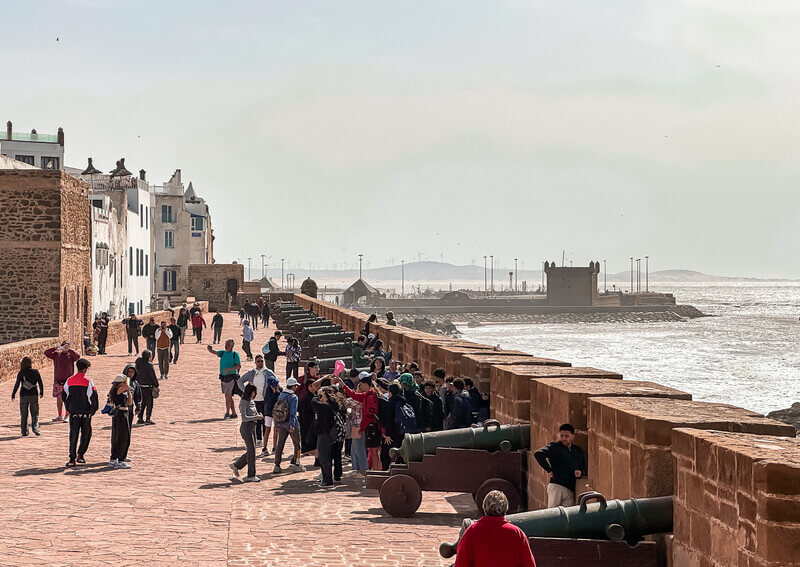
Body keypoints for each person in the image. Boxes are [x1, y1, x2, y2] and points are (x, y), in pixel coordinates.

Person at [454, 490, 536, 567]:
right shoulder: (517, 533)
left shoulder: (472, 531)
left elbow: (461, 563)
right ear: (505, 509)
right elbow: (529, 564)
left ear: (484, 507)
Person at [533, 423, 587, 508]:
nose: (564, 438)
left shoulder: (577, 451)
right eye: (562, 436)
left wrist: (580, 472)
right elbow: (538, 454)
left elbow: (582, 467)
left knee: (567, 517)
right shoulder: (555, 447)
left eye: (567, 436)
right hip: (556, 486)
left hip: (570, 489)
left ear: (572, 436)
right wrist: (549, 470)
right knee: (552, 515)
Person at [337, 373, 381, 472]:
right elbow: (353, 394)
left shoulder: (370, 396)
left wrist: (362, 427)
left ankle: (369, 471)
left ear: (366, 384)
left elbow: (370, 414)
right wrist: (342, 383)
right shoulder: (367, 395)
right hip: (367, 426)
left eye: (362, 384)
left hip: (370, 426)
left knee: (372, 451)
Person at [63, 358, 99, 467]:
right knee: (86, 434)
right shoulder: (88, 381)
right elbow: (93, 396)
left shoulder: (69, 380)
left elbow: (64, 396)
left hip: (73, 413)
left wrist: (69, 408)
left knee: (73, 435)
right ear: (84, 369)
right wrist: (92, 411)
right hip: (85, 413)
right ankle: (81, 454)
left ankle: (72, 458)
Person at [237, 355, 273, 450]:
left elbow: (275, 382)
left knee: (265, 420)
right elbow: (240, 381)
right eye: (258, 361)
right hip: (254, 401)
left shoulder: (268, 372)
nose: (260, 363)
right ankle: (258, 439)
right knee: (256, 420)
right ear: (255, 362)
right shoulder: (251, 373)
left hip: (265, 400)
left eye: (261, 361)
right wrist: (246, 391)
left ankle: (265, 440)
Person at [229, 384, 263, 483]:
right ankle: (251, 475)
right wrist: (257, 417)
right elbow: (244, 418)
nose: (255, 394)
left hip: (253, 428)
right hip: (246, 428)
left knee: (251, 451)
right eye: (254, 392)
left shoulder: (252, 401)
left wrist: (257, 415)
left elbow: (253, 413)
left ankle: (237, 465)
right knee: (251, 451)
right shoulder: (244, 402)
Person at [272, 377, 305, 474]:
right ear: (293, 386)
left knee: (280, 444)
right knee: (297, 444)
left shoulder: (281, 395)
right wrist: (292, 424)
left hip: (281, 423)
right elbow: (293, 413)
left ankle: (277, 465)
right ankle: (297, 463)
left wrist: (277, 424)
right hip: (291, 424)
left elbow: (277, 410)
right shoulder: (293, 397)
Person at [312, 386, 341, 488]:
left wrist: (317, 395)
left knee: (324, 457)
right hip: (330, 434)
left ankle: (327, 481)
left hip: (325, 434)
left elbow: (314, 402)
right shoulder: (333, 405)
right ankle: (326, 479)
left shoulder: (325, 406)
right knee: (326, 457)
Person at [44, 341, 80, 422]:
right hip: (58, 380)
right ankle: (59, 415)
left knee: (67, 399)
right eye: (63, 346)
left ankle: (67, 415)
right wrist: (55, 348)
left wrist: (69, 350)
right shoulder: (57, 354)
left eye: (66, 346)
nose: (64, 348)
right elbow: (46, 353)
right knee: (59, 398)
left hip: (68, 381)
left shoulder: (71, 355)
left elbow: (78, 356)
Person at [208, 339, 241, 419]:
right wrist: (209, 349)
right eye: (226, 344)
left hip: (231, 377)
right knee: (229, 396)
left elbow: (238, 366)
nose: (226, 346)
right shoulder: (223, 353)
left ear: (232, 346)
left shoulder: (235, 354)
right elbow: (215, 352)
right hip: (223, 378)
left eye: (228, 345)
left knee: (228, 395)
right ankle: (233, 413)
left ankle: (227, 412)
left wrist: (229, 369)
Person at [12, 357, 44, 436]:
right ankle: (35, 428)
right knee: (34, 413)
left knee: (24, 414)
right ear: (30, 364)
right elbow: (40, 382)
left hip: (23, 395)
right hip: (33, 394)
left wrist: (13, 393)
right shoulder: (35, 372)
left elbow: (17, 384)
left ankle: (24, 431)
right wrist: (41, 391)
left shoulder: (21, 372)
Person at [108, 373, 133, 469]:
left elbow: (130, 402)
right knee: (122, 437)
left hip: (124, 414)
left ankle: (115, 458)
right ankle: (120, 459)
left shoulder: (123, 391)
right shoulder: (117, 390)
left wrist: (129, 392)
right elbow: (126, 385)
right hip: (120, 415)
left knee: (122, 436)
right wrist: (127, 383)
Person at [297, 361, 320, 455]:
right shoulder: (302, 379)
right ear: (310, 368)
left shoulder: (317, 379)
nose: (317, 370)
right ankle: (306, 448)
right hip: (304, 406)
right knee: (305, 428)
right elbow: (297, 391)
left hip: (314, 405)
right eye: (315, 368)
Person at [135, 350, 159, 425]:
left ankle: (140, 418)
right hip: (148, 387)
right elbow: (153, 376)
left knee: (142, 403)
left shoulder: (138, 363)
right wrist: (156, 385)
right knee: (149, 403)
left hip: (139, 387)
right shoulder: (149, 365)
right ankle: (148, 419)